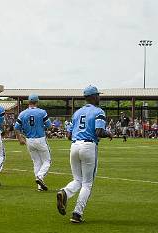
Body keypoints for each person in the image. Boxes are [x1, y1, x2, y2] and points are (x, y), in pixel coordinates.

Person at [56, 85, 113, 223]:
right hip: (88, 146)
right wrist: (108, 133)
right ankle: (77, 213)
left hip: (74, 146)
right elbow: (99, 132)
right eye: (98, 95)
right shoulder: (99, 111)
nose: (99, 97)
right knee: (87, 183)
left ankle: (64, 192)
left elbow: (69, 135)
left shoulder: (76, 113)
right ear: (93, 97)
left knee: (77, 180)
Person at [14, 94, 52, 191]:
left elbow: (16, 128)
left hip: (29, 140)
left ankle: (40, 186)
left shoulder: (22, 114)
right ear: (37, 102)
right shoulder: (42, 112)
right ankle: (40, 176)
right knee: (47, 161)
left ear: (29, 102)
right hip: (40, 138)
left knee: (36, 162)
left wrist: (19, 138)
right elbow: (49, 125)